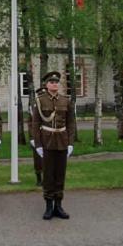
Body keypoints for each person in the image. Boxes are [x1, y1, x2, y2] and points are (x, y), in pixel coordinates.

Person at [31, 71, 76, 220]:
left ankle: (59, 205)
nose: (54, 84)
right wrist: (37, 144)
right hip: (47, 141)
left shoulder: (66, 100)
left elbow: (71, 123)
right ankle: (49, 206)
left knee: (60, 174)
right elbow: (35, 123)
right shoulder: (40, 101)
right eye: (51, 82)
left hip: (62, 141)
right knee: (49, 175)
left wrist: (70, 143)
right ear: (46, 84)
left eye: (56, 82)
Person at [27, 83, 46, 186]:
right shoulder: (33, 108)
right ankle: (39, 179)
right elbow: (30, 124)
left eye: (43, 95)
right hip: (37, 136)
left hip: (48, 136)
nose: (41, 97)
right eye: (40, 95)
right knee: (37, 159)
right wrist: (32, 137)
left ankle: (48, 179)